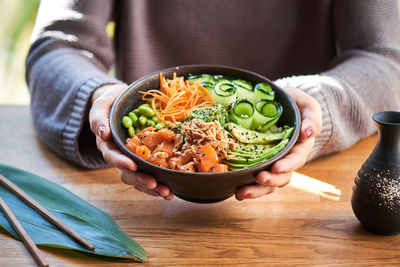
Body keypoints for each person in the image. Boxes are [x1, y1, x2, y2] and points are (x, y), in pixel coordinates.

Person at [26, 0, 400, 201]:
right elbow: (58, 44)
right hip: (136, 203)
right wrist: (101, 95)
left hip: (300, 200)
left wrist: (315, 109)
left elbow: (385, 57)